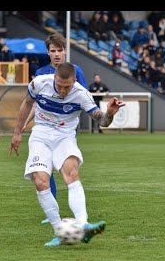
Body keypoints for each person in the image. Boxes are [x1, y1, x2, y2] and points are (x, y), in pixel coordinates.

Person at [9, 62, 124, 246]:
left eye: (67, 87)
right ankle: (58, 231)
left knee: (71, 171)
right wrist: (16, 133)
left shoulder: (81, 94)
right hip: (41, 134)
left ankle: (84, 225)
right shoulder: (39, 83)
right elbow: (27, 104)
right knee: (40, 181)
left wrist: (110, 114)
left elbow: (102, 121)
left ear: (74, 81)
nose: (63, 91)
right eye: (60, 86)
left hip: (65, 137)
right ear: (54, 77)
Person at [22, 32, 88, 225]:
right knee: (44, 169)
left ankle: (78, 215)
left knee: (67, 168)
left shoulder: (77, 71)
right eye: (53, 51)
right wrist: (26, 121)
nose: (57, 54)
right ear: (48, 53)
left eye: (60, 50)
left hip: (66, 128)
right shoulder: (41, 73)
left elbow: (82, 97)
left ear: (65, 51)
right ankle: (53, 210)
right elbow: (35, 102)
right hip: (44, 127)